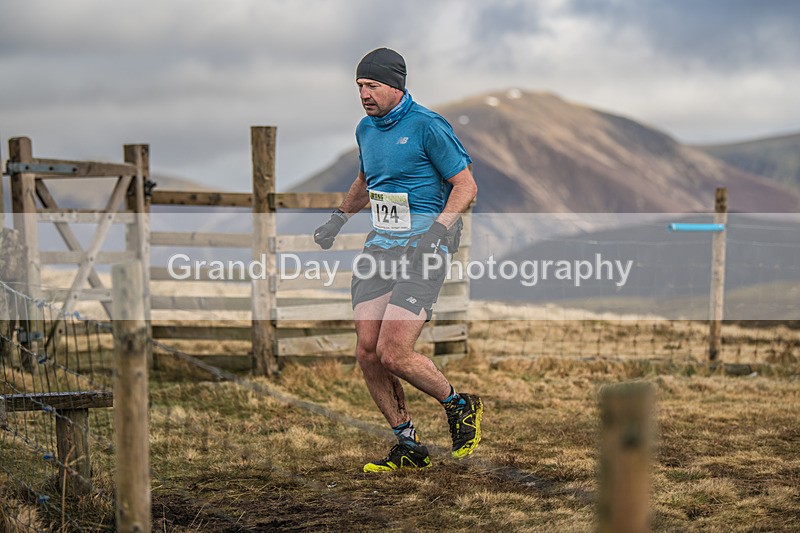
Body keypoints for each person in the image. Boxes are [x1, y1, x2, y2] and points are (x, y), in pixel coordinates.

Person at [313, 47, 482, 472]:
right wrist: (337, 219)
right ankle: (407, 443)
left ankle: (460, 405)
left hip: (424, 249)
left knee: (393, 352)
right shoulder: (365, 130)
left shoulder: (427, 126)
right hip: (380, 247)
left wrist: (436, 233)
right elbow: (365, 180)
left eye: (371, 85)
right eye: (359, 87)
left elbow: (465, 186)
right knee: (367, 352)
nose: (364, 94)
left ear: (395, 85)